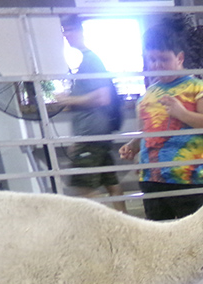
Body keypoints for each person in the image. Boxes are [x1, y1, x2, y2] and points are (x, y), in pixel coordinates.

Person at [119, 20, 203, 221]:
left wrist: (183, 114)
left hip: (189, 181)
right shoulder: (149, 93)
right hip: (152, 180)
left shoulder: (198, 89)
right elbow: (148, 131)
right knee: (159, 237)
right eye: (152, 60)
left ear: (180, 58)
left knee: (195, 239)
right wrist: (133, 145)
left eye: (163, 59)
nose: (157, 65)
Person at [56, 16, 126, 212]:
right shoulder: (86, 61)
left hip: (92, 135)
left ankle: (103, 229)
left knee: (84, 187)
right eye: (64, 31)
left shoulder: (91, 60)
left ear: (80, 32)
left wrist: (69, 100)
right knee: (111, 184)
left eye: (70, 30)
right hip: (95, 134)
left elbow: (103, 97)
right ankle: (124, 225)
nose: (67, 35)